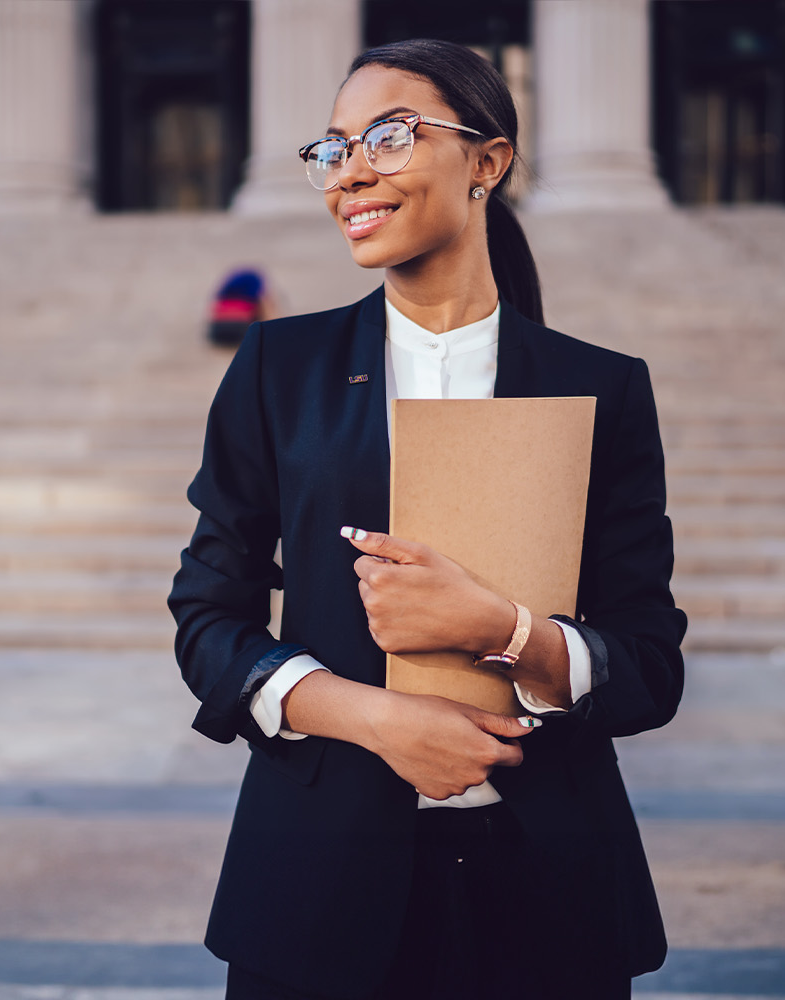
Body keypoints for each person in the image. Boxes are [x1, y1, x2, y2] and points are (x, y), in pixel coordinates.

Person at [169, 38, 686, 1000]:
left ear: (488, 160)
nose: (350, 174)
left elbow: (649, 665)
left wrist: (505, 631)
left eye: (389, 137)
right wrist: (378, 721)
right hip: (317, 887)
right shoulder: (279, 370)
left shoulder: (601, 387)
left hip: (551, 892)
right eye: (334, 149)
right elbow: (207, 621)